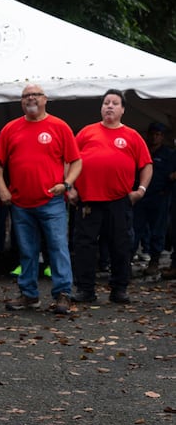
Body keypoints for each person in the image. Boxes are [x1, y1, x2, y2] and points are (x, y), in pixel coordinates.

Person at [0, 85, 80, 314]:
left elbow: (76, 161)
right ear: (21, 102)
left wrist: (67, 184)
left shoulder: (59, 127)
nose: (30, 98)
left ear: (45, 99)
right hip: (21, 203)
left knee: (58, 247)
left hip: (51, 201)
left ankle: (63, 294)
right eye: (25, 96)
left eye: (35, 95)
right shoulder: (11, 128)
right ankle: (29, 295)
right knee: (27, 251)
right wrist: (2, 188)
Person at [69, 90, 152, 304]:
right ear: (101, 107)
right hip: (88, 199)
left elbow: (146, 165)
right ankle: (85, 289)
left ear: (123, 109)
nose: (110, 106)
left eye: (115, 103)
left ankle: (119, 289)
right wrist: (70, 187)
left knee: (120, 245)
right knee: (84, 245)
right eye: (106, 103)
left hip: (119, 200)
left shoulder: (132, 136)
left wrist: (140, 190)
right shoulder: (87, 132)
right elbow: (69, 160)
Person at [132, 122, 175, 278]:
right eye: (153, 134)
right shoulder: (141, 151)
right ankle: (127, 261)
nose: (155, 137)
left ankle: (154, 261)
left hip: (160, 197)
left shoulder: (169, 154)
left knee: (158, 230)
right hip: (140, 196)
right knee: (134, 229)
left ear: (162, 137)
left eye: (158, 134)